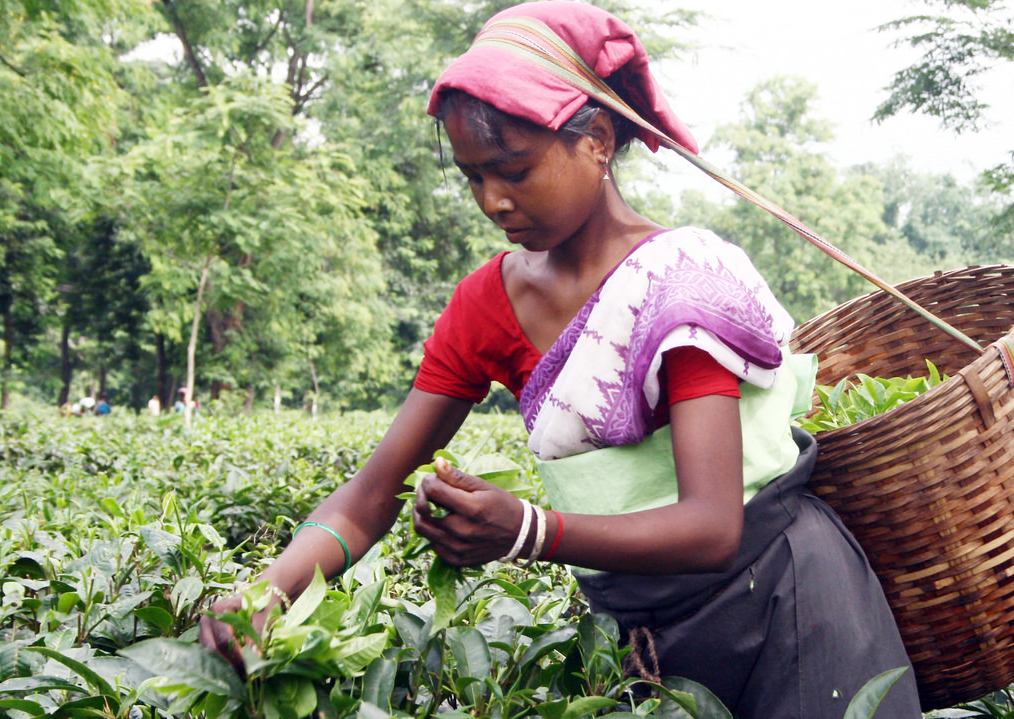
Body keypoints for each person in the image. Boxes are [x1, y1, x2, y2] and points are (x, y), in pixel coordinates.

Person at [200, 3, 921, 717]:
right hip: (642, 632)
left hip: (792, 610)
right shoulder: (485, 305)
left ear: (598, 140)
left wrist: (527, 530)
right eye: (475, 177)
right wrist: (267, 594)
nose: (494, 201)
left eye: (514, 168)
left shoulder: (682, 284)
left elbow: (712, 526)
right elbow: (369, 497)